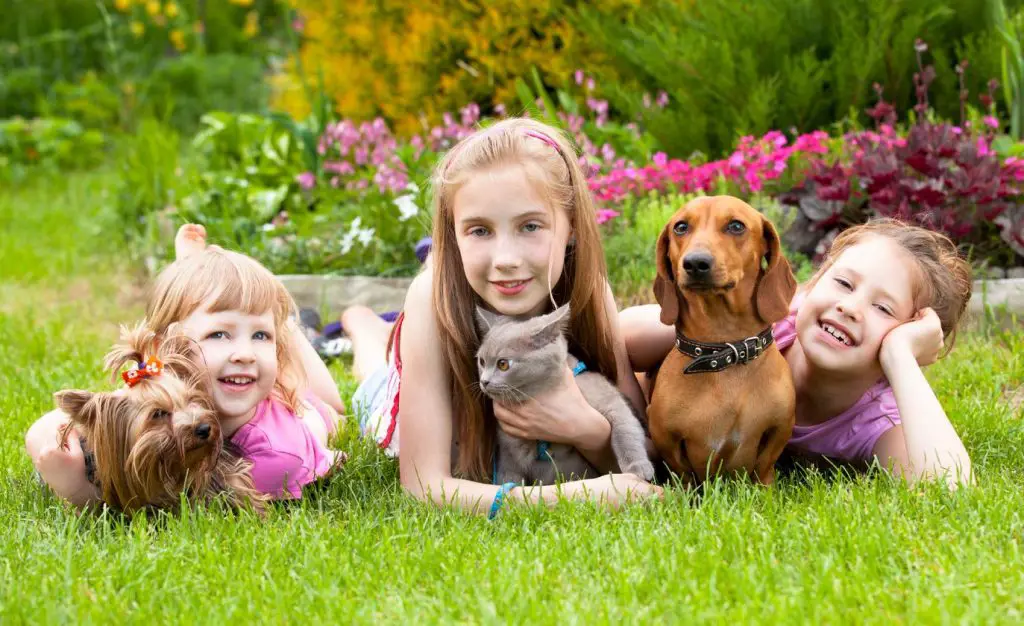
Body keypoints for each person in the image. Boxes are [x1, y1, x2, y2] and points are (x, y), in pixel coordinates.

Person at [343, 117, 662, 517]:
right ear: (452, 234)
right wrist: (573, 498)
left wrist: (587, 430)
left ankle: (378, 330)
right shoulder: (431, 296)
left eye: (530, 226)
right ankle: (364, 326)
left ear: (573, 228)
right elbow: (422, 487)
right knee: (372, 377)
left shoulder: (589, 287)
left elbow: (646, 451)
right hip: (404, 386)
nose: (506, 260)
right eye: (480, 231)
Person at [620, 219, 974, 488]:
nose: (849, 307)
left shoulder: (872, 418)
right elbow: (623, 335)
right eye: (843, 283)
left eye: (883, 308)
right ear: (813, 284)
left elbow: (950, 486)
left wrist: (900, 358)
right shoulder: (771, 327)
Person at [25, 225, 346, 505]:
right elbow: (46, 428)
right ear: (170, 350)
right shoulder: (165, 377)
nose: (244, 352)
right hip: (234, 377)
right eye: (218, 334)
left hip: (305, 409)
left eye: (262, 335)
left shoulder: (274, 459)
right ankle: (205, 285)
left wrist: (76, 490)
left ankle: (285, 322)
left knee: (332, 404)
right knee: (246, 346)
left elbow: (164, 505)